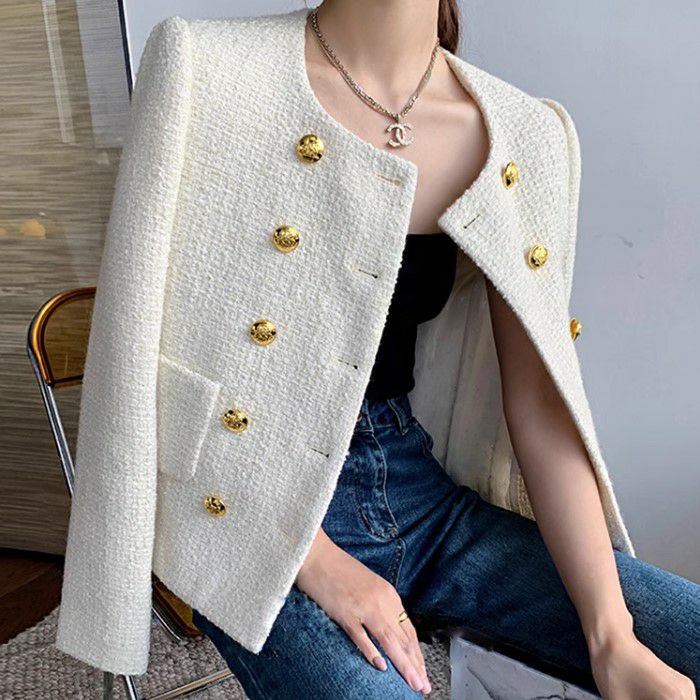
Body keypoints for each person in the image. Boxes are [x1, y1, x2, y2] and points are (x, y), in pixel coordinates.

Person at [53, 2, 699, 698]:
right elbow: (139, 345)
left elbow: (540, 405)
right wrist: (311, 556)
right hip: (246, 500)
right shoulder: (206, 66)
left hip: (412, 486)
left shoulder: (523, 133)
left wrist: (611, 636)